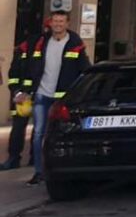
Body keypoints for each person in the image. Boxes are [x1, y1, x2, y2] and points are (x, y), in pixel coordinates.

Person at [27, 10, 90, 186]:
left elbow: (83, 68)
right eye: (55, 21)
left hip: (62, 98)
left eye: (61, 21)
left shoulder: (75, 43)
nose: (58, 24)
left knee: (58, 134)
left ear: (67, 24)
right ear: (50, 23)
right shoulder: (42, 41)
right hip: (42, 93)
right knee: (38, 133)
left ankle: (57, 169)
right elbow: (32, 65)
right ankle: (39, 172)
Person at [2, 26, 42, 171]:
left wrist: (30, 91)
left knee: (38, 129)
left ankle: (33, 157)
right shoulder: (21, 51)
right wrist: (17, 92)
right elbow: (13, 74)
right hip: (21, 98)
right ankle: (13, 158)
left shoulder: (42, 51)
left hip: (38, 94)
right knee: (18, 128)